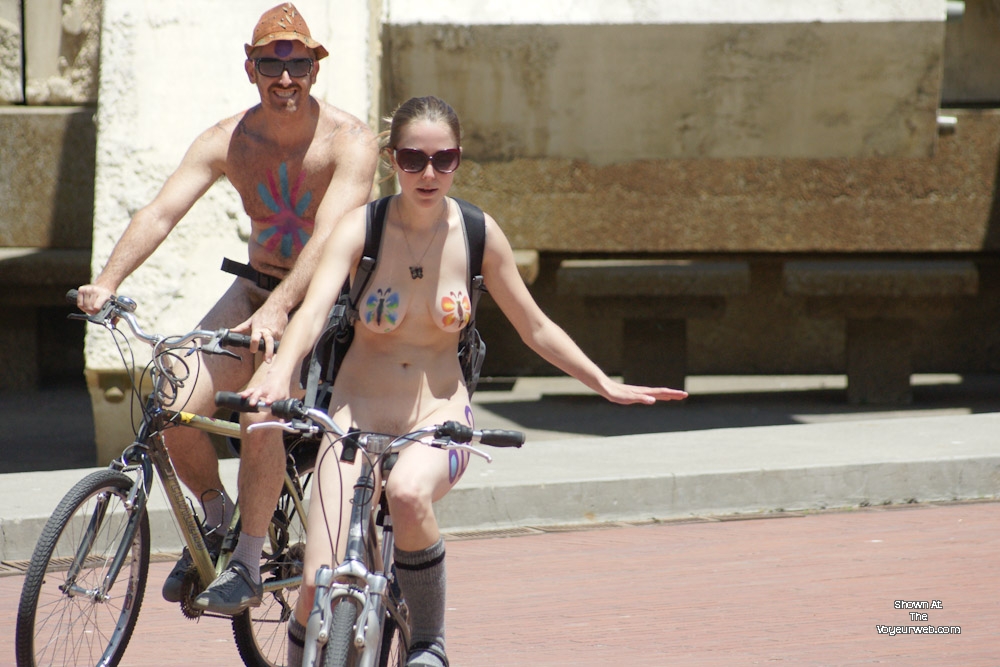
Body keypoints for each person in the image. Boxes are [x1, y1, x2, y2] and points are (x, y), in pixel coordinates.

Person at [241, 95, 689, 667]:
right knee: (314, 584)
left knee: (406, 493)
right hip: (353, 417)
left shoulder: (477, 232)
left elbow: (536, 326)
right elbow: (310, 312)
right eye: (412, 158)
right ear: (391, 160)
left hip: (438, 418)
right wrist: (279, 372)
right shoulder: (363, 228)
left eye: (443, 159)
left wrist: (602, 382)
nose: (428, 173)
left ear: (458, 160)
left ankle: (429, 641)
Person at [75, 3, 379, 615]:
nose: (285, 78)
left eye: (298, 64)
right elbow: (160, 212)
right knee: (171, 395)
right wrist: (105, 281)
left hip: (323, 301)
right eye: (273, 63)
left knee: (263, 405)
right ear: (251, 68)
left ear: (315, 71)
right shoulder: (230, 141)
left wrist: (281, 310)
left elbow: (327, 236)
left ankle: (246, 557)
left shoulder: (351, 142)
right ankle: (215, 517)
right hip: (254, 289)